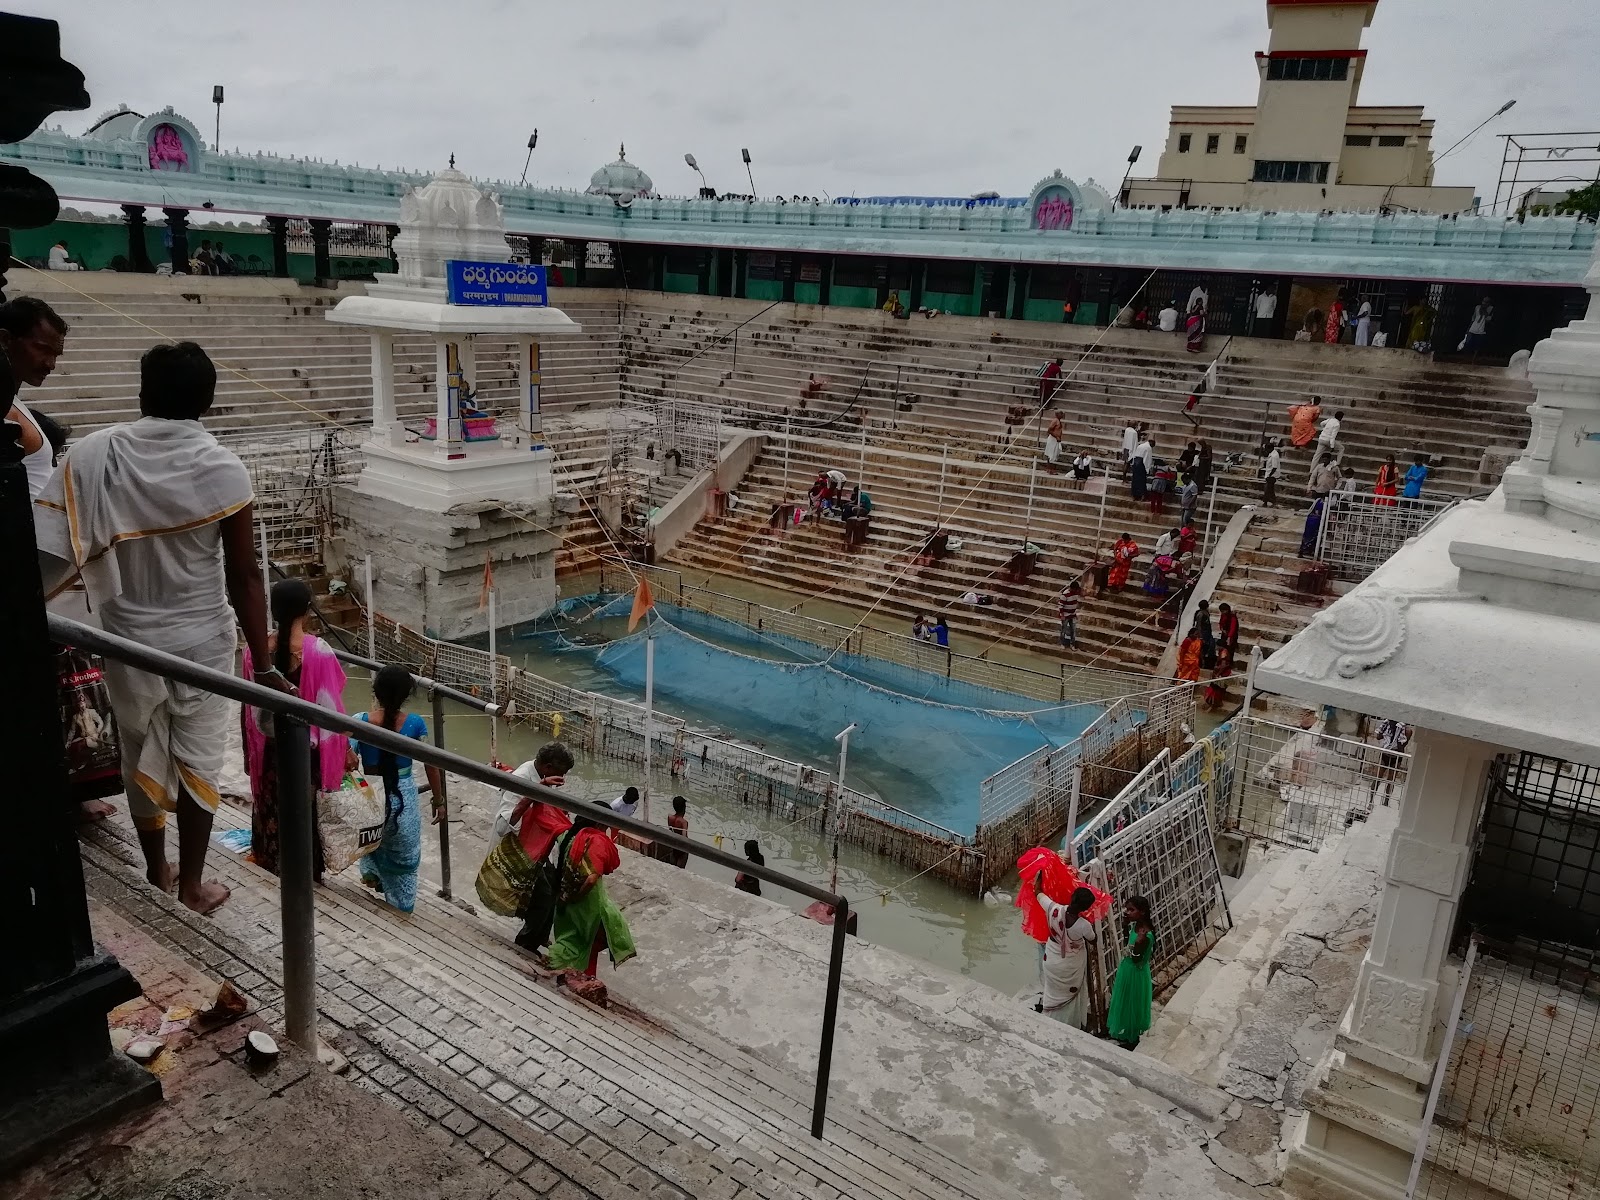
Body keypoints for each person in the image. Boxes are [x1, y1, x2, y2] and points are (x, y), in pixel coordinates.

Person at [34, 342, 282, 914]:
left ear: (143, 393)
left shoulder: (97, 454)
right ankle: (192, 885)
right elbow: (244, 577)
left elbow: (48, 546)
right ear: (209, 402)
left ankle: (155, 869)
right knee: (199, 758)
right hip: (200, 642)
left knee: (137, 746)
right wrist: (264, 669)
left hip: (123, 635)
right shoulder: (223, 470)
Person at [241, 579, 352, 878]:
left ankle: (270, 865)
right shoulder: (319, 651)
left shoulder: (255, 651)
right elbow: (332, 709)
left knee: (272, 807)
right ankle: (304, 875)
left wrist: (245, 750)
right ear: (307, 610)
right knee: (305, 813)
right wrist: (346, 749)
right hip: (307, 754)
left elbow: (247, 706)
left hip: (269, 749)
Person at [353, 665, 444, 914]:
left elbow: (346, 757)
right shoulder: (415, 724)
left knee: (373, 841)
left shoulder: (359, 721)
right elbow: (431, 765)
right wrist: (439, 800)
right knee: (404, 858)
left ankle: (373, 876)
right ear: (406, 695)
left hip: (370, 796)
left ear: (376, 691)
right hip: (402, 798)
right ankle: (401, 909)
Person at [547, 804, 636, 977]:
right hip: (588, 904)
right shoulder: (596, 841)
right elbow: (591, 878)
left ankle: (574, 973)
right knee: (591, 941)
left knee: (571, 940)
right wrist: (577, 896)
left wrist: (568, 897)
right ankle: (575, 975)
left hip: (564, 900)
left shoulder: (566, 835)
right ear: (601, 824)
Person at [1035, 885, 1098, 1028]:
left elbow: (1037, 892)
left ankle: (1047, 1015)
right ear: (1085, 908)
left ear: (1072, 897)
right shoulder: (1084, 925)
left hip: (1051, 960)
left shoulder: (1053, 909)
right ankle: (1069, 1023)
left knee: (1051, 991)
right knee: (1070, 995)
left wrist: (1040, 874)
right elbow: (1093, 939)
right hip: (1070, 967)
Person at [1107, 896, 1155, 1049]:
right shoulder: (1137, 927)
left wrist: (1139, 942)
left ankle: (1131, 1038)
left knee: (1132, 1003)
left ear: (1142, 912)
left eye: (1131, 910)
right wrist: (1126, 928)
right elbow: (1128, 943)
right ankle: (1125, 1034)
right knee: (1125, 1001)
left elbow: (1136, 958)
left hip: (1135, 973)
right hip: (1128, 969)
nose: (1127, 912)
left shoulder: (1146, 935)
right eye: (1127, 909)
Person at [665, 795, 690, 868]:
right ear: (683, 808)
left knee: (672, 866)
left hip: (673, 845)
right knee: (680, 869)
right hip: (681, 849)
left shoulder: (670, 817)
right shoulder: (684, 822)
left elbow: (671, 830)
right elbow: (684, 837)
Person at [1057, 581, 1081, 649]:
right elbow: (1061, 605)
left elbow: (1075, 603)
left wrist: (1075, 613)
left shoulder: (1076, 594)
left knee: (1073, 630)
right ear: (1072, 588)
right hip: (1065, 615)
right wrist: (1062, 615)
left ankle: (1072, 644)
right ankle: (1062, 643)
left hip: (1072, 614)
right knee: (1063, 630)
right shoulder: (1065, 594)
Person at [1130, 434, 1154, 501]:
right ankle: (1142, 495)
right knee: (1142, 481)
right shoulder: (1148, 448)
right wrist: (1147, 469)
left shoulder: (1140, 445)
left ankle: (1134, 495)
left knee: (1135, 480)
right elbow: (1147, 459)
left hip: (1136, 463)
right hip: (1141, 465)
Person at [1262, 438, 1281, 507]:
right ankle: (1272, 501)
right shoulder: (1273, 453)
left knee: (1267, 489)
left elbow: (1274, 467)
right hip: (1270, 474)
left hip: (1272, 475)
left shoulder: (1274, 456)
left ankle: (1265, 502)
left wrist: (1270, 475)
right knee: (1270, 489)